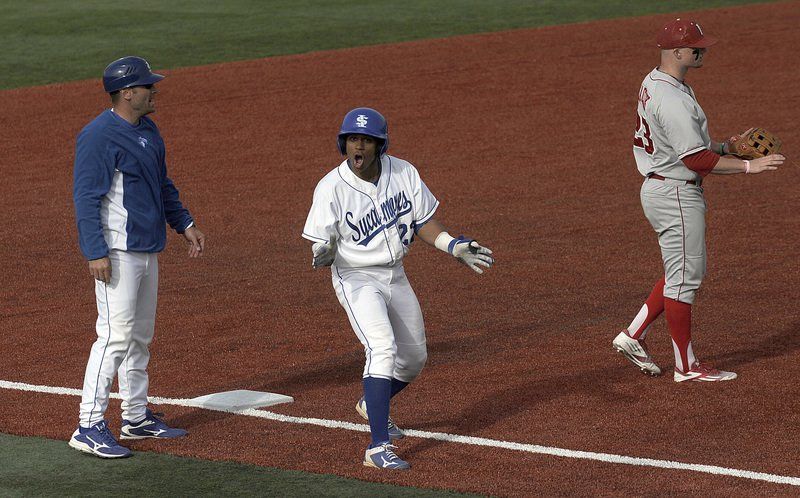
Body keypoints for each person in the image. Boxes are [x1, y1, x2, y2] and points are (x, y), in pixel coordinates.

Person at [303, 107, 494, 469]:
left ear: (380, 145)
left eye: (367, 140)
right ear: (344, 143)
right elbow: (321, 242)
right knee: (382, 347)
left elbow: (422, 220)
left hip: (395, 274)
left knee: (414, 359)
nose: (358, 146)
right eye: (353, 140)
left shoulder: (403, 172)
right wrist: (323, 251)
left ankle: (370, 403)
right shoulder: (331, 187)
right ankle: (377, 447)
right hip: (357, 279)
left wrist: (452, 245)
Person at [613, 20, 785, 382]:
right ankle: (685, 366)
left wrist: (725, 147)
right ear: (676, 51)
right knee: (685, 279)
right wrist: (751, 166)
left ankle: (633, 335)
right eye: (695, 48)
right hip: (675, 191)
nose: (702, 52)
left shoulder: (658, 81)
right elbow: (696, 160)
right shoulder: (672, 98)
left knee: (681, 270)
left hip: (665, 185)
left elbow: (684, 146)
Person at [69, 56, 206, 458]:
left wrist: (184, 223)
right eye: (148, 86)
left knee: (139, 339)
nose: (154, 91)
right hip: (116, 252)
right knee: (113, 337)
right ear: (128, 93)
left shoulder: (148, 130)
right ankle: (88, 424)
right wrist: (95, 251)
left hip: (147, 250)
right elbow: (86, 198)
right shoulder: (98, 136)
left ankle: (135, 416)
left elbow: (162, 184)